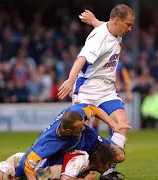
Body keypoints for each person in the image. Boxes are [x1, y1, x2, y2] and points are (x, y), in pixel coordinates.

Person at [0, 103, 130, 180]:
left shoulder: (76, 116)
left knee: (119, 155)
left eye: (83, 124)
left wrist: (113, 124)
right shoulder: (49, 142)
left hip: (46, 167)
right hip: (24, 166)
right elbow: (30, 166)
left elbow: (93, 109)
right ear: (68, 130)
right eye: (79, 128)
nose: (84, 127)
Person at [58, 4, 135, 180]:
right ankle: (68, 168)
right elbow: (81, 59)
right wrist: (70, 80)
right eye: (128, 25)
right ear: (117, 20)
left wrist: (93, 21)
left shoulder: (114, 31)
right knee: (78, 131)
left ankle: (108, 171)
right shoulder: (98, 39)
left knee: (122, 123)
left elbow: (104, 25)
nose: (129, 29)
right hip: (87, 88)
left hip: (107, 89)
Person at [0, 141, 118, 180]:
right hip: (22, 167)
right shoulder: (82, 160)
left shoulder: (82, 159)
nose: (109, 167)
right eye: (108, 164)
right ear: (100, 161)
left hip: (30, 168)